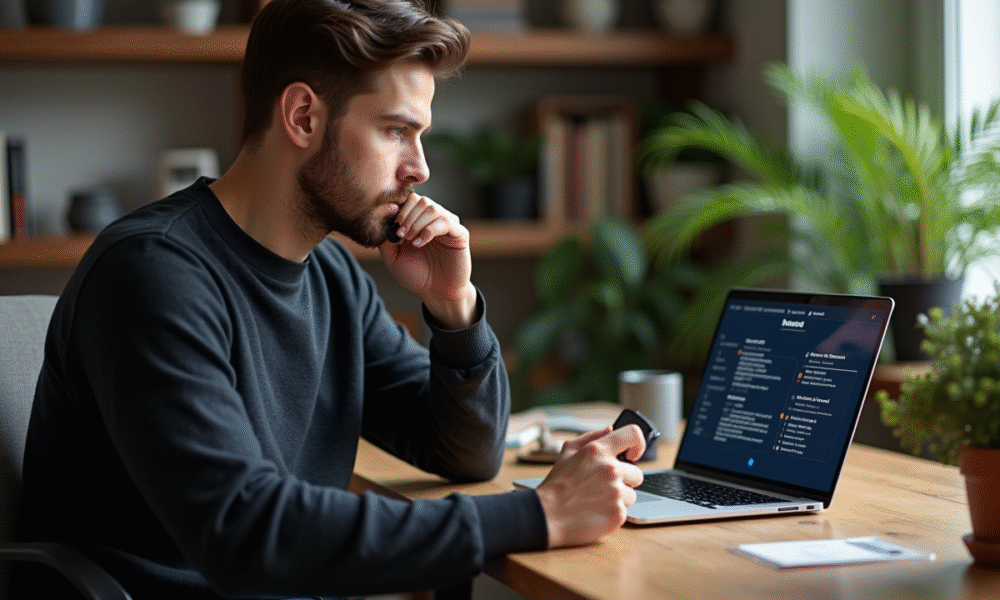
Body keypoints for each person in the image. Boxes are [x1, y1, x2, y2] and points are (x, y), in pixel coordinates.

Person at [20, 1, 646, 598]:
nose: (420, 168)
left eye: (420, 135)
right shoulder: (151, 274)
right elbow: (244, 533)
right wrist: (539, 514)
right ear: (302, 117)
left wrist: (454, 307)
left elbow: (465, 453)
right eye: (395, 131)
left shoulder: (329, 275)